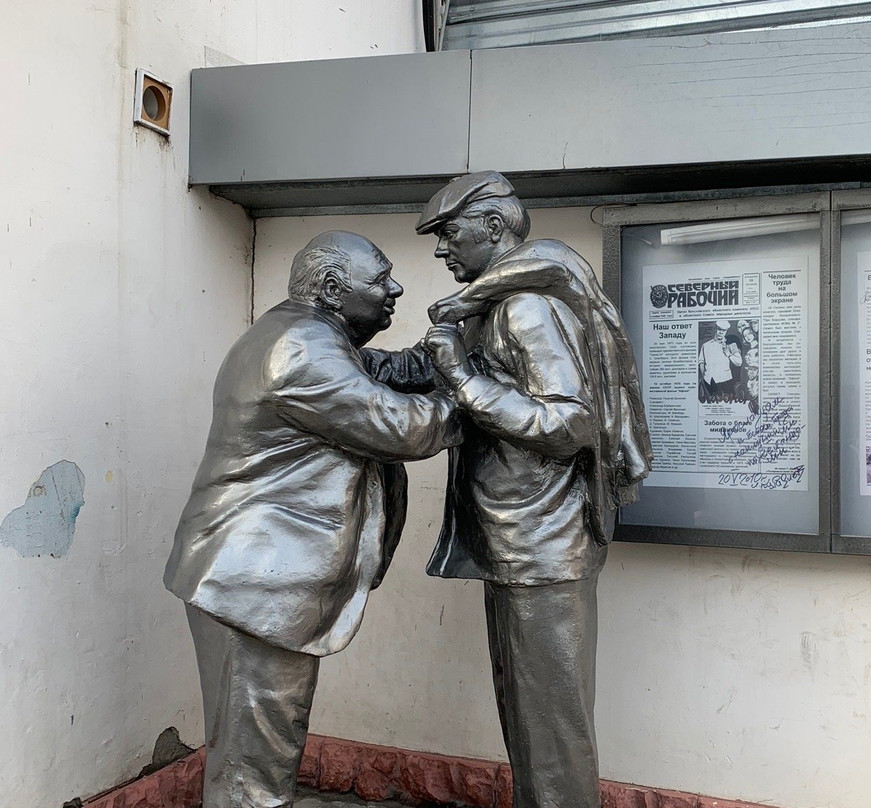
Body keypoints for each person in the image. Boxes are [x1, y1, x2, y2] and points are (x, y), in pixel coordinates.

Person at [163, 231, 461, 808]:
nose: (395, 289)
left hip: (250, 583)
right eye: (380, 280)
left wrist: (449, 353)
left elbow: (387, 370)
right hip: (249, 589)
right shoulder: (301, 346)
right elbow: (403, 425)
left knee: (258, 756)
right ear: (331, 290)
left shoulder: (305, 334)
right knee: (252, 774)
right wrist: (479, 393)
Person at [415, 171, 653, 808]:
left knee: (550, 727)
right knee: (528, 720)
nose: (442, 248)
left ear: (494, 228)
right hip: (520, 545)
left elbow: (567, 421)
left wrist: (463, 381)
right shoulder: (493, 306)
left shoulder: (526, 307)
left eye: (450, 231)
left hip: (543, 548)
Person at [698, 319, 734, 400]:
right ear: (716, 329)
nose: (721, 332)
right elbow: (701, 362)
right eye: (719, 329)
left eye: (723, 331)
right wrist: (705, 375)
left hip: (725, 381)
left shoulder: (730, 345)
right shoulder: (705, 346)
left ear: (726, 332)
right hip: (709, 381)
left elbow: (738, 362)